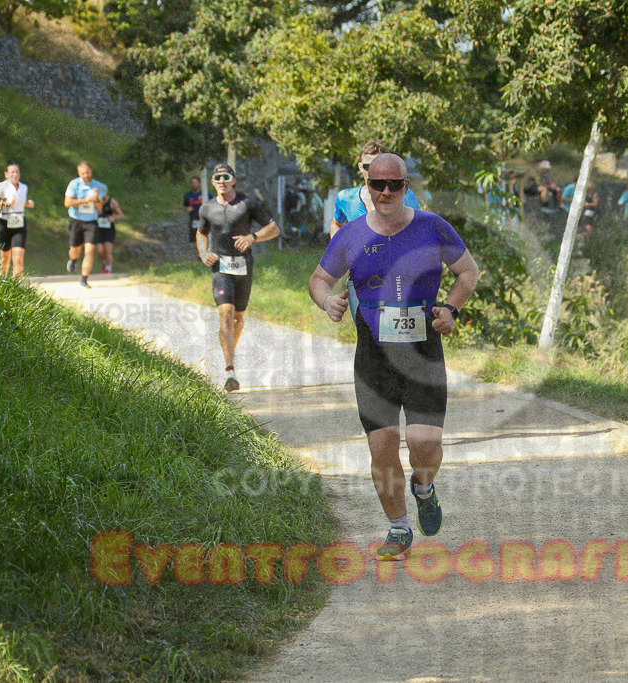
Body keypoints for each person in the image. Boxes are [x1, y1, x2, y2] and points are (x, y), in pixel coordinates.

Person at [308, 154, 480, 561]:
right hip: (373, 352)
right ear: (366, 186)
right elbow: (318, 279)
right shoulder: (349, 235)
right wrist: (327, 300)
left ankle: (424, 488)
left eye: (394, 185)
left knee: (424, 443)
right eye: (378, 184)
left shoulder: (432, 226)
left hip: (422, 349)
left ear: (406, 186)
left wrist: (451, 310)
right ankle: (398, 528)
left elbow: (468, 272)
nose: (385, 192)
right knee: (382, 445)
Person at [196, 163, 280, 392]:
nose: (221, 180)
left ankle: (229, 352)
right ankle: (229, 369)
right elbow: (201, 233)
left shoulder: (247, 204)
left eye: (226, 176)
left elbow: (274, 228)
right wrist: (203, 252)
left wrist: (252, 237)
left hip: (244, 267)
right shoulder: (206, 208)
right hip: (220, 268)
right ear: (213, 183)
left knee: (238, 318)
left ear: (233, 180)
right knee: (226, 315)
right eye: (217, 177)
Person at [329, 139, 421, 322]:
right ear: (360, 167)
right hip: (359, 279)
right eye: (367, 165)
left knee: (396, 340)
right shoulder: (346, 198)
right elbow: (336, 224)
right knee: (366, 337)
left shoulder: (405, 196)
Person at [0, 162, 34, 278]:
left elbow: (20, 202)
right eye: (12, 172)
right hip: (4, 222)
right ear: (6, 174)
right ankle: (2, 280)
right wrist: (3, 203)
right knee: (4, 257)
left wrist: (28, 203)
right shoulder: (1, 186)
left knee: (18, 257)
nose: (15, 174)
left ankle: (17, 285)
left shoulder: (23, 187)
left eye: (17, 172)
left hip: (19, 223)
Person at [64, 162, 107, 288]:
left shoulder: (97, 185)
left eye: (87, 172)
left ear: (91, 171)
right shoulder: (74, 184)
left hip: (91, 222)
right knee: (74, 250)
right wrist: (86, 200)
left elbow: (100, 207)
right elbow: (67, 202)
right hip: (76, 220)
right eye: (83, 173)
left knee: (89, 251)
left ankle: (84, 278)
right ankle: (73, 260)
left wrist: (96, 198)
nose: (86, 175)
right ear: (79, 173)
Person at [95, 195, 124, 274]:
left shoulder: (112, 202)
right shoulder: (95, 201)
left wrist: (114, 218)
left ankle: (108, 268)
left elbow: (121, 215)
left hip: (109, 230)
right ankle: (105, 262)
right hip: (98, 230)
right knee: (99, 251)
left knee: (107, 250)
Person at [184, 176, 204, 246]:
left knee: (204, 236)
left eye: (195, 183)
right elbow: (184, 206)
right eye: (192, 183)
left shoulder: (204, 193)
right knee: (194, 238)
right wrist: (187, 209)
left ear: (199, 183)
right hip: (194, 218)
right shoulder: (188, 195)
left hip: (203, 218)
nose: (194, 184)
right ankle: (199, 255)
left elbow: (214, 201)